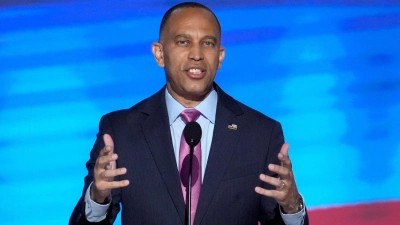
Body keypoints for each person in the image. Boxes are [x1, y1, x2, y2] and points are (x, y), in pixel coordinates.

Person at [69, 2, 309, 225]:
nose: (197, 54)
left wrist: (290, 206)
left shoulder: (261, 134)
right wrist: (98, 198)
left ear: (220, 57)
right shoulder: (121, 131)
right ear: (159, 54)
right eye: (183, 42)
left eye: (208, 43)